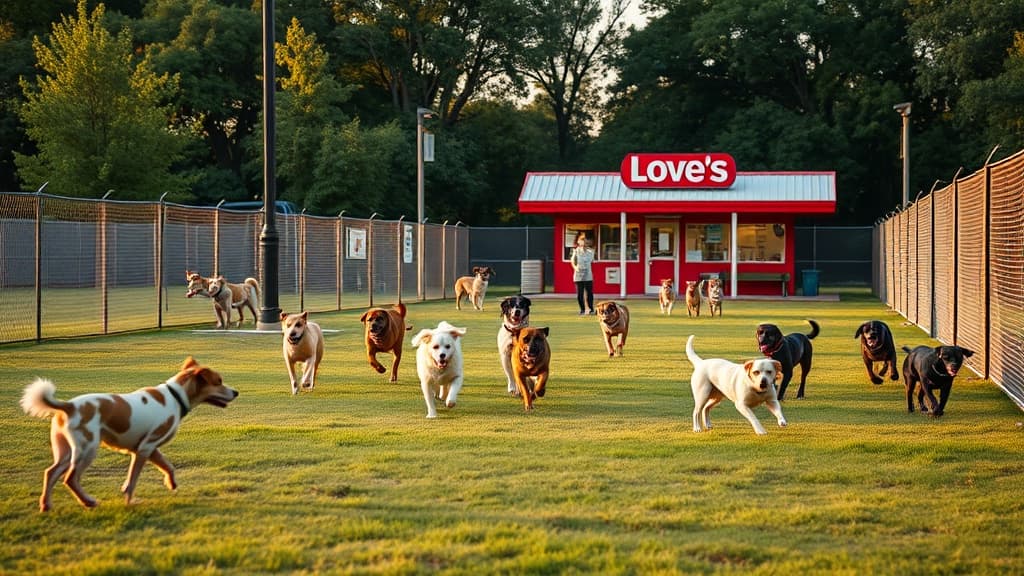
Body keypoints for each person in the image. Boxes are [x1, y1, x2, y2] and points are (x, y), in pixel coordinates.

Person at [570, 231, 595, 315]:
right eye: (581, 240)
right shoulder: (575, 251)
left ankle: (591, 309)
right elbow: (572, 261)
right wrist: (575, 267)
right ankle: (582, 310)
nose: (583, 242)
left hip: (588, 275)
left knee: (589, 294)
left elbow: (590, 261)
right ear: (578, 241)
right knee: (579, 294)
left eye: (584, 240)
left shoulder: (591, 251)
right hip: (578, 276)